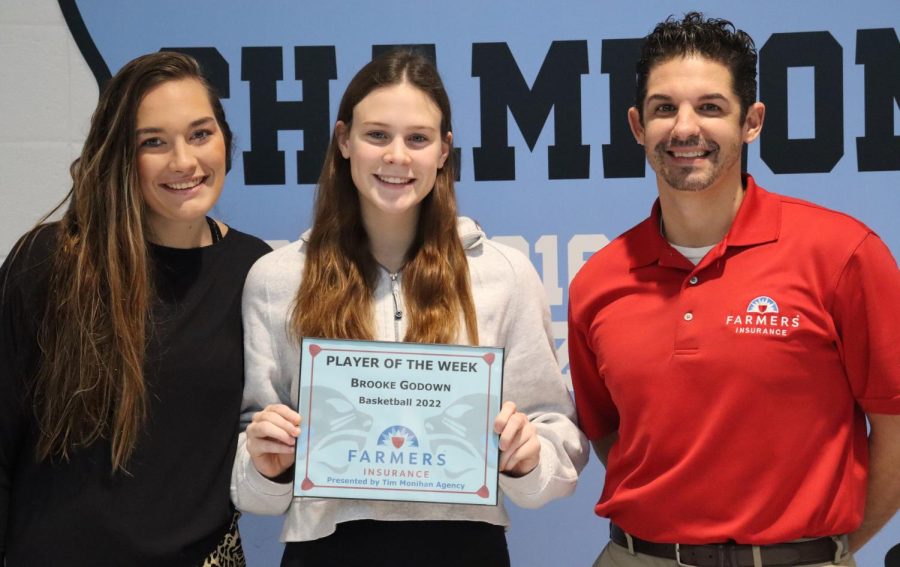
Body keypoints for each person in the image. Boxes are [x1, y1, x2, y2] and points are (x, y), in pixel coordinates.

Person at [568, 12, 900, 567]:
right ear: (636, 125)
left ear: (752, 121)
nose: (684, 128)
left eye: (711, 107)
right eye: (664, 108)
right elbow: (611, 436)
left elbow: (894, 428)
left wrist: (822, 551)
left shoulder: (843, 254)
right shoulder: (598, 280)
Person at [231, 49, 587, 566]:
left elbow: (555, 444)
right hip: (324, 553)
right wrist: (267, 464)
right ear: (343, 141)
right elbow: (251, 480)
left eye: (417, 139)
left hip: (465, 550)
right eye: (377, 135)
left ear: (444, 152)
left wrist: (527, 458)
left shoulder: (504, 275)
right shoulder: (277, 279)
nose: (397, 156)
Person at [0, 52, 270, 565]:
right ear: (120, 154)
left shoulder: (255, 270)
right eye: (153, 142)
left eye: (199, 134)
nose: (184, 162)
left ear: (225, 142)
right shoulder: (49, 261)